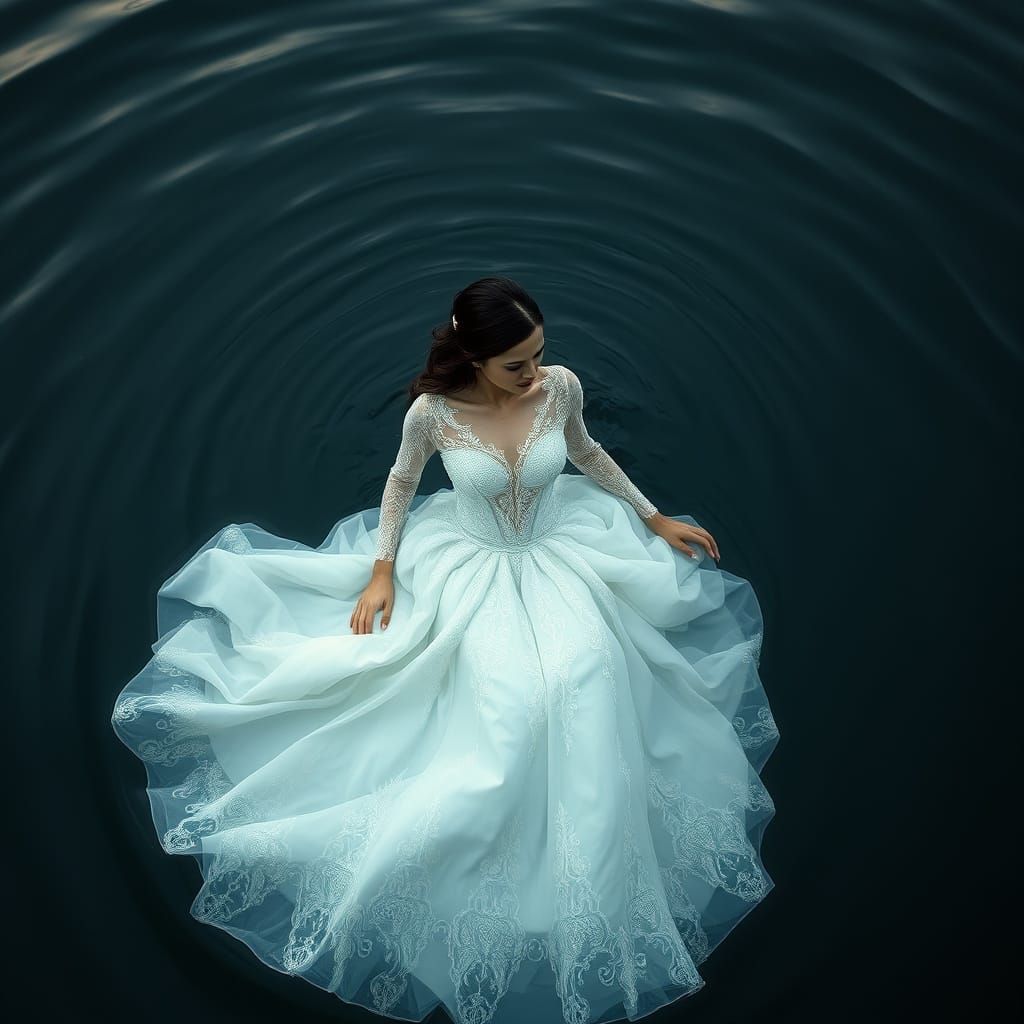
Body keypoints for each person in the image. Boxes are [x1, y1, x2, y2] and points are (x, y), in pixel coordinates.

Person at [111, 275, 779, 1024]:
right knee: (509, 708)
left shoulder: (560, 388)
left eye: (540, 355)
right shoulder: (433, 413)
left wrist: (653, 519)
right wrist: (381, 571)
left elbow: (586, 454)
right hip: (468, 564)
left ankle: (590, 863)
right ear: (474, 357)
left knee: (586, 674)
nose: (536, 373)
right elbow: (401, 483)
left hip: (564, 553)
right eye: (518, 364)